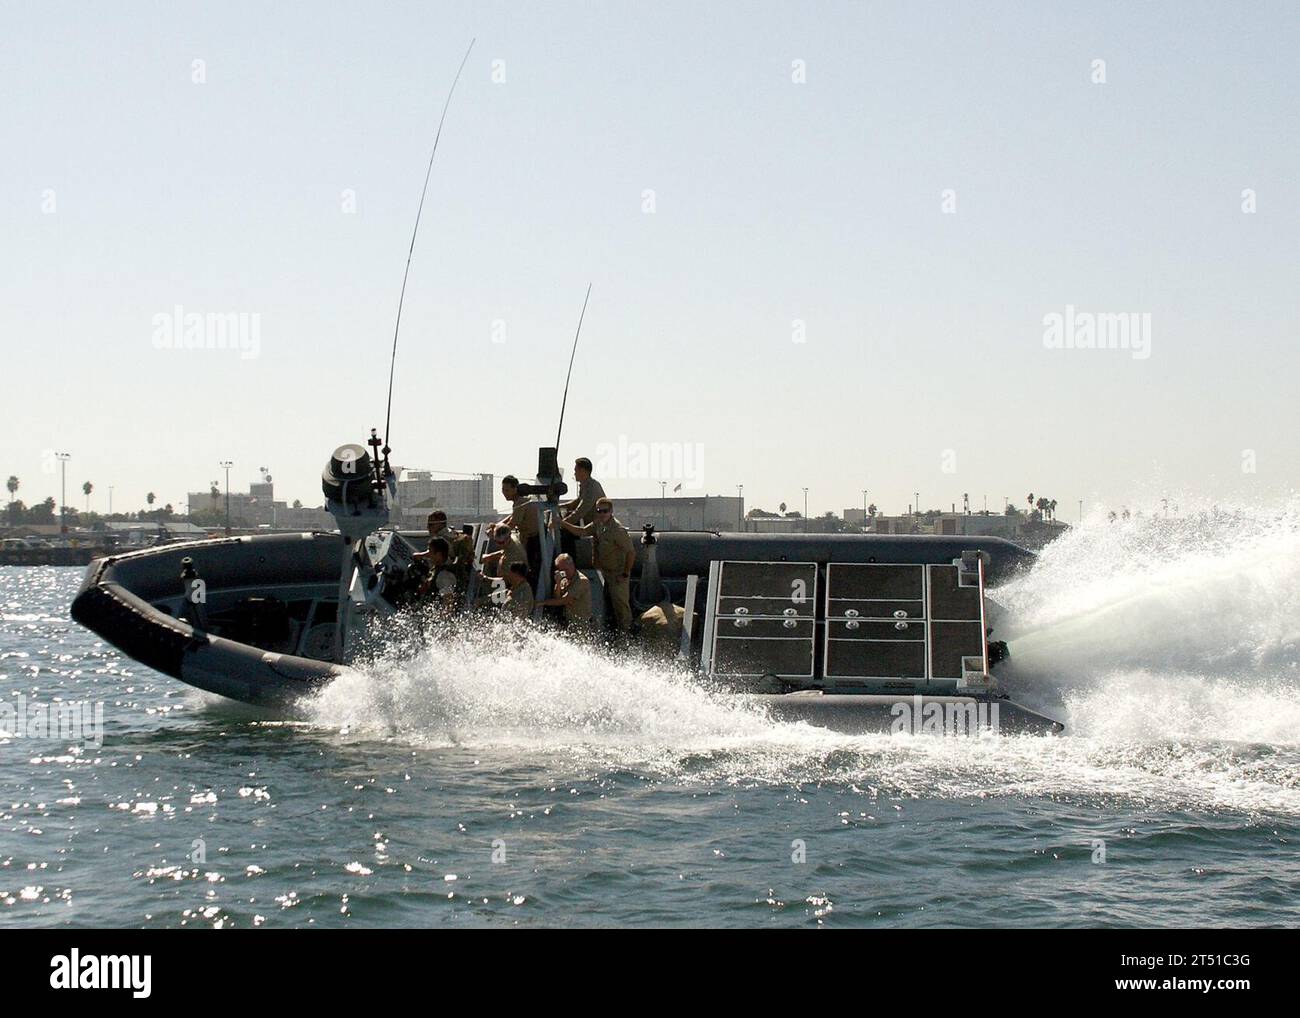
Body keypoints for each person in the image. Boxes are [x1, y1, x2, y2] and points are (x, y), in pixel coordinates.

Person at [560, 496, 635, 632]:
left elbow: (631, 553)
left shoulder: (618, 530)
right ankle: (611, 631)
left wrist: (625, 573)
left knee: (621, 607)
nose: (601, 514)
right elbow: (582, 531)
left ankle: (626, 636)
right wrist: (563, 524)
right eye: (599, 511)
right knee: (604, 604)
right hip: (604, 572)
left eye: (605, 511)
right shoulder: (598, 525)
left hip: (617, 574)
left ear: (611, 511)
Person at [539, 553, 593, 636]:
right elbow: (557, 597)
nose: (564, 573)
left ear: (572, 565)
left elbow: (564, 600)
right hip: (569, 621)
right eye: (561, 570)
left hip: (581, 624)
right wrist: (557, 583)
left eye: (566, 569)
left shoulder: (581, 581)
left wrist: (543, 602)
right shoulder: (564, 580)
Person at [501, 474, 541, 581]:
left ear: (515, 489)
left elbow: (512, 524)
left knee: (531, 569)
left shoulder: (520, 502)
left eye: (507, 490)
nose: (504, 493)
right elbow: (512, 517)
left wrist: (497, 531)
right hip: (529, 539)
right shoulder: (520, 501)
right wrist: (499, 524)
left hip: (534, 541)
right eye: (503, 490)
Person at [416, 537, 458, 608]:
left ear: (438, 554)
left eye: (430, 551)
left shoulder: (444, 575)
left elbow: (448, 604)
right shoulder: (437, 567)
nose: (428, 555)